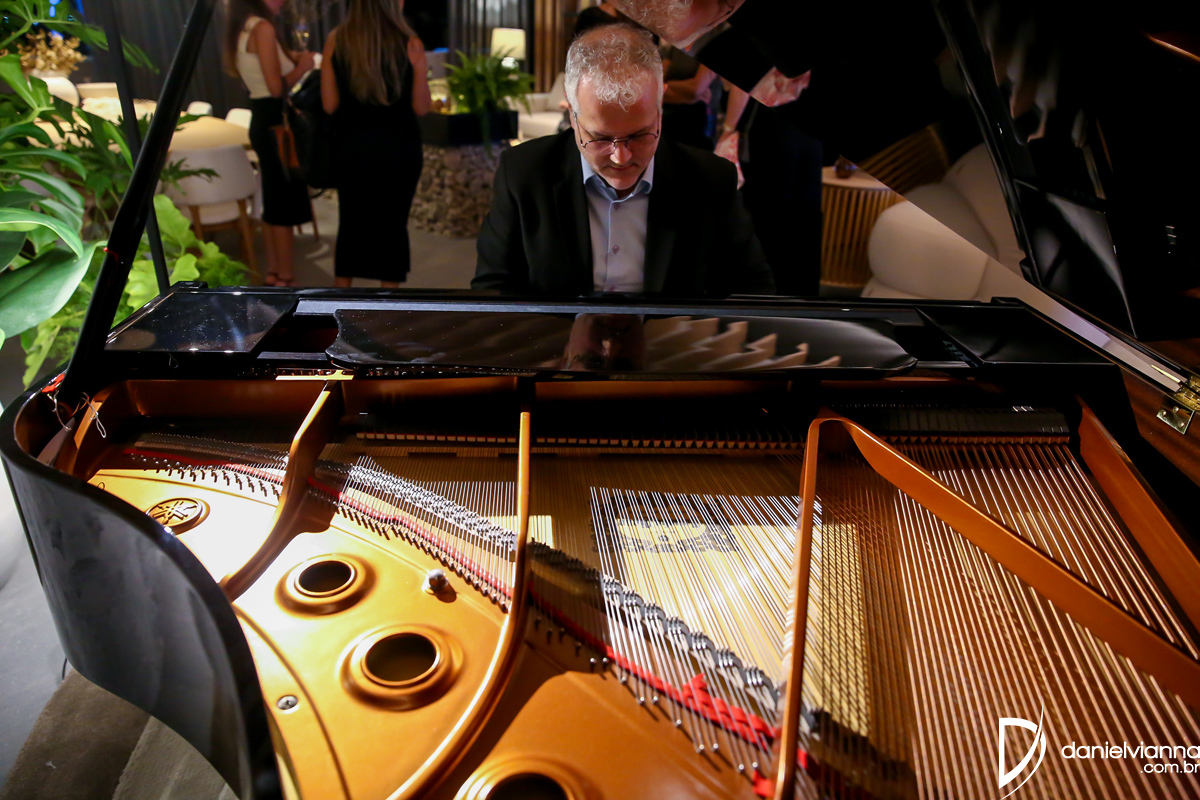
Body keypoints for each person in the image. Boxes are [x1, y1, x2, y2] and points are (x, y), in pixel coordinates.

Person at [473, 24, 773, 298]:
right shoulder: (523, 173)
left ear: (660, 106)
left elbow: (752, 290)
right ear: (572, 114)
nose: (621, 157)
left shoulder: (711, 180)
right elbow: (492, 290)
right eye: (600, 138)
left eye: (639, 135)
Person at [321, 0, 430, 288]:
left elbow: (329, 104)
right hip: (398, 149)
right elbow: (421, 106)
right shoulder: (411, 43)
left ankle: (339, 298)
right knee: (392, 227)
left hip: (352, 148)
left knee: (350, 224)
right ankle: (387, 302)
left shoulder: (337, 40)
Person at [225, 0, 315, 286]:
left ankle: (274, 272)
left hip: (261, 118)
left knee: (272, 198)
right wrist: (304, 66)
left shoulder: (243, 27)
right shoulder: (262, 28)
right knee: (283, 201)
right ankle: (285, 277)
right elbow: (276, 87)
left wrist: (292, 56)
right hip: (276, 122)